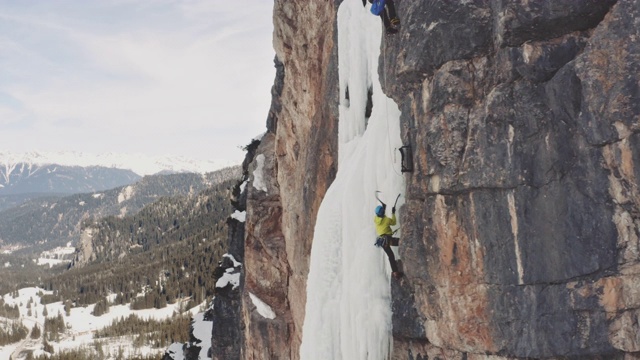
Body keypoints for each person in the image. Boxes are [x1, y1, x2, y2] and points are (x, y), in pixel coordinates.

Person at [374, 204, 403, 279]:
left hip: (382, 242)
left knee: (391, 256)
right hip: (388, 240)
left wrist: (383, 207)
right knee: (402, 242)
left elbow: (381, 215)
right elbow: (394, 222)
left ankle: (395, 272)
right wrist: (393, 213)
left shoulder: (376, 219)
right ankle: (396, 272)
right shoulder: (386, 220)